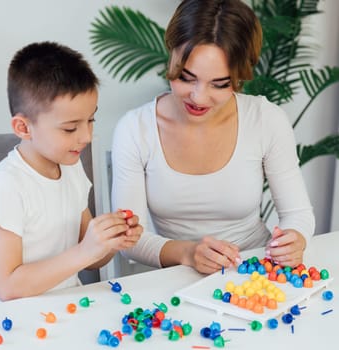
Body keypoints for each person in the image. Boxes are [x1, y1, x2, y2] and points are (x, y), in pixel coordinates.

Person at [111, 0, 315, 275]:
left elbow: (297, 214)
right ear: (171, 54)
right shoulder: (135, 129)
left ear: (240, 76)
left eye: (220, 84)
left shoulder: (266, 120)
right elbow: (129, 240)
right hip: (174, 275)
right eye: (185, 78)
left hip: (255, 271)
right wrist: (189, 253)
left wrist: (295, 239)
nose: (198, 97)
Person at [0, 41, 143, 305]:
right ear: (23, 127)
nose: (86, 136)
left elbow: (91, 258)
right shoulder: (4, 186)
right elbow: (7, 286)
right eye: (70, 128)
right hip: (16, 325)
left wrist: (110, 241)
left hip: (67, 311)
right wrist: (85, 250)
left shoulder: (71, 167)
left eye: (91, 120)